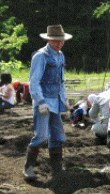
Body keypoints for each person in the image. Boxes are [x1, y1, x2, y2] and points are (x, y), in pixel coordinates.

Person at [23, 25, 72, 180]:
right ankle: (28, 167)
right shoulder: (41, 56)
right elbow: (34, 81)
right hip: (43, 102)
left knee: (58, 135)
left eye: (61, 40)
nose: (59, 43)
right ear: (49, 39)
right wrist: (40, 101)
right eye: (56, 41)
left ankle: (57, 168)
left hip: (55, 101)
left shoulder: (60, 55)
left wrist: (63, 98)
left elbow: (61, 81)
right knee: (41, 136)